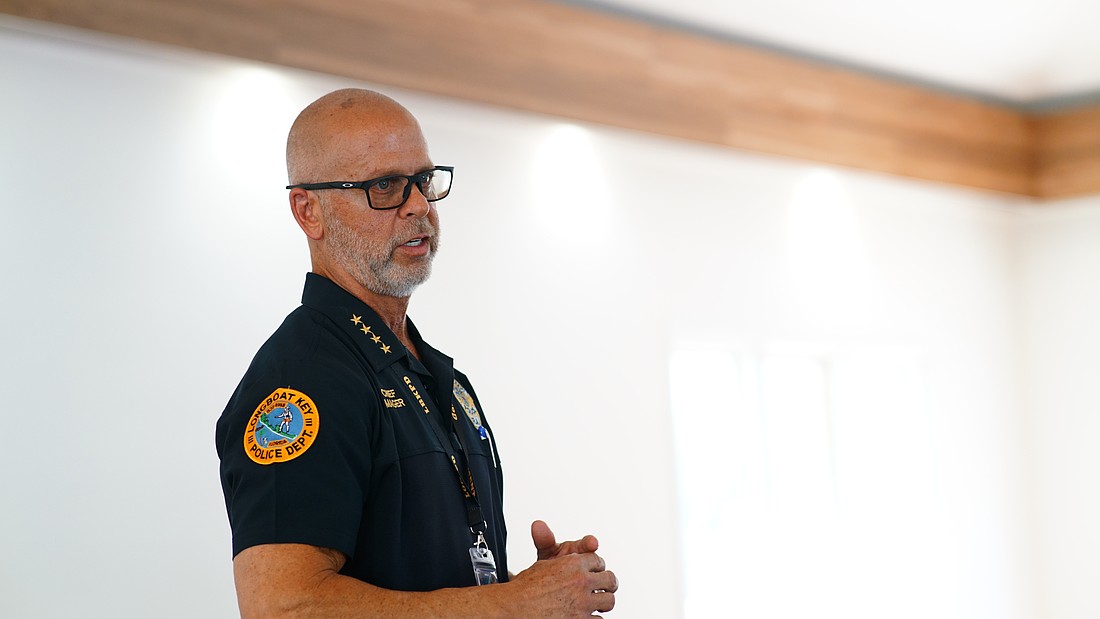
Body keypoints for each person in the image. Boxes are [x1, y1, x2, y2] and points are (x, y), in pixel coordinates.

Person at [215, 88, 617, 618]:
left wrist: (533, 591)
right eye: (384, 186)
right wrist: (511, 605)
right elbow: (285, 607)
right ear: (307, 210)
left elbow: (430, 580)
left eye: (423, 181)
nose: (419, 206)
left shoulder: (440, 379)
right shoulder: (302, 379)